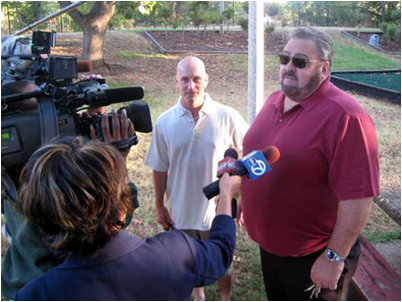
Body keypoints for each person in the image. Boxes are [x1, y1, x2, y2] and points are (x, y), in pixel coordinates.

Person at [239, 27, 380, 301]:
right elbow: (262, 156)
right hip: (272, 248)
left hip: (314, 256)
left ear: (324, 69)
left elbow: (359, 197)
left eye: (300, 62)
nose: (289, 67)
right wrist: (247, 196)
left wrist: (333, 256)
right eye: (285, 59)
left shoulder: (347, 118)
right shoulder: (275, 100)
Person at [14, 135, 241, 301]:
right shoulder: (176, 253)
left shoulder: (36, 294)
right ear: (123, 206)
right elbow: (221, 250)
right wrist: (226, 194)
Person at [1, 79, 134, 299]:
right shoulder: (49, 186)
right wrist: (117, 157)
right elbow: (112, 222)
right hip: (67, 287)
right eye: (47, 113)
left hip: (20, 282)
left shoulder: (9, 168)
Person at [145, 56, 248, 301]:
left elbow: (246, 155)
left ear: (206, 81)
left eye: (196, 79)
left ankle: (225, 298)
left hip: (218, 213)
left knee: (223, 264)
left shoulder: (228, 116)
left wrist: (244, 198)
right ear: (176, 82)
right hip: (180, 211)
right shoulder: (165, 122)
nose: (191, 86)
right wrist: (160, 206)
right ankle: (198, 293)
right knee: (188, 262)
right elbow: (159, 169)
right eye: (184, 80)